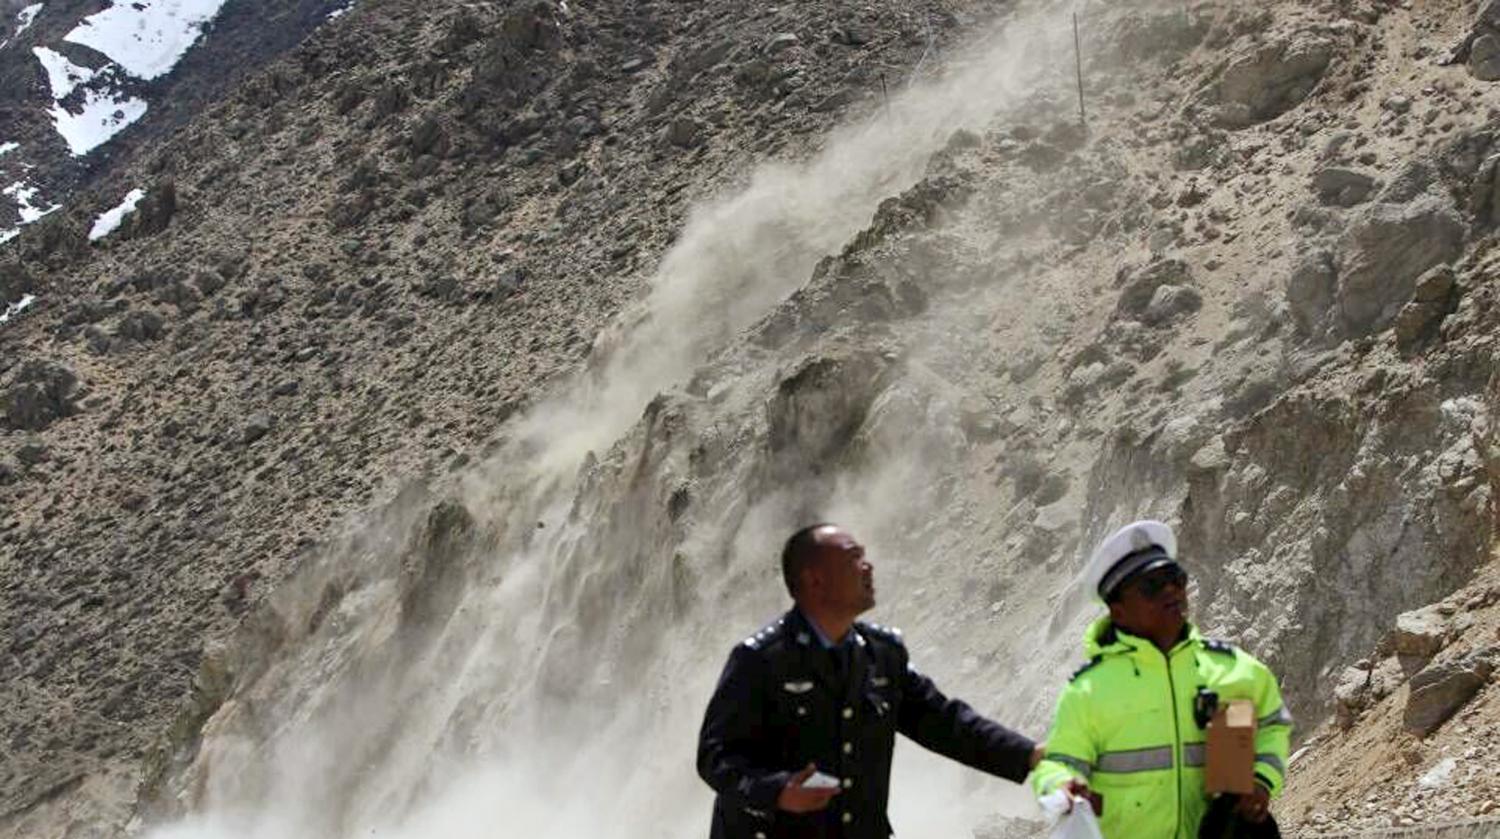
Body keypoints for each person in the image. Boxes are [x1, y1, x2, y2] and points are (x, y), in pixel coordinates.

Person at [697, 523, 1039, 839]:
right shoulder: (761, 659)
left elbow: (945, 723)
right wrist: (778, 791)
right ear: (815, 580)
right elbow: (716, 755)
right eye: (852, 558)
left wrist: (1029, 755)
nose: (867, 566)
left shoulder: (882, 654)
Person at [1031, 520, 1294, 839]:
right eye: (1151, 585)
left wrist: (1261, 780)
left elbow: (1272, 725)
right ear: (1118, 613)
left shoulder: (1233, 669)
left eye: (1175, 579)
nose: (1170, 590)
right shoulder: (1089, 690)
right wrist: (1062, 787)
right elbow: (1058, 762)